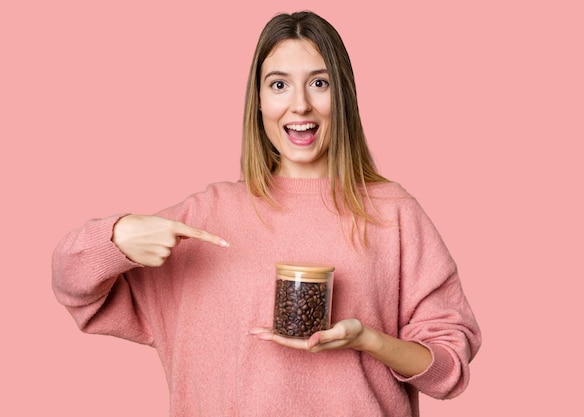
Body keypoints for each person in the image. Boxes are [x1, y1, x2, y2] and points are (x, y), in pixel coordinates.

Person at [52, 10, 481, 416]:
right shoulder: (206, 217)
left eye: (319, 83)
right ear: (258, 101)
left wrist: (368, 339)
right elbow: (75, 288)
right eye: (279, 85)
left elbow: (448, 371)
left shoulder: (393, 213)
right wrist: (118, 236)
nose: (299, 106)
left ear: (344, 95)